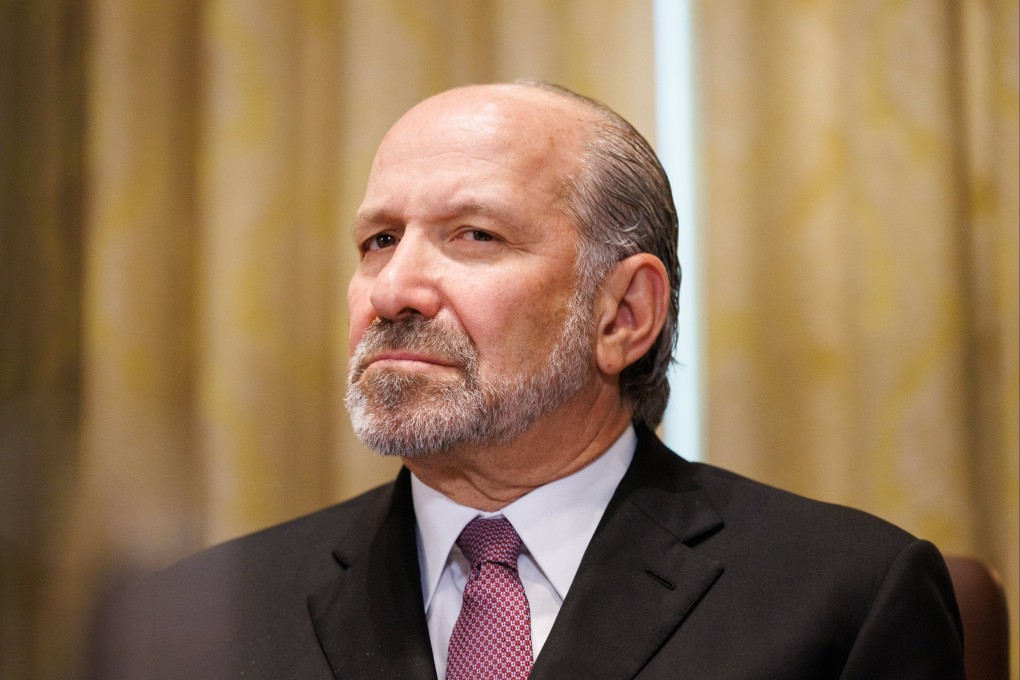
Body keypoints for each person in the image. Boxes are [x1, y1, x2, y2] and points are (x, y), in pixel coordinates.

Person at [94, 82, 965, 679]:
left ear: (624, 313)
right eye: (378, 241)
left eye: (474, 235)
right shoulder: (192, 620)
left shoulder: (842, 598)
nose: (394, 288)